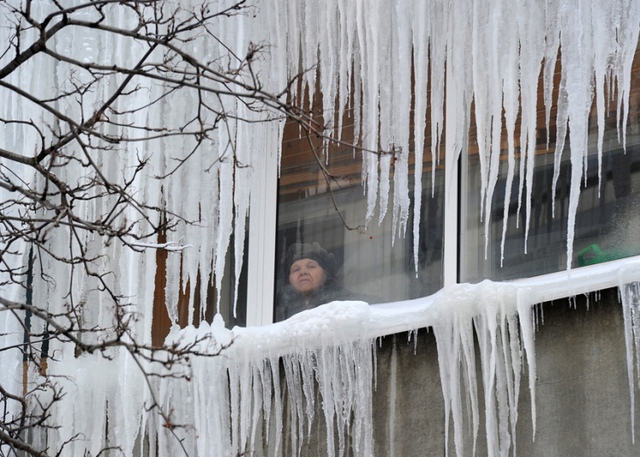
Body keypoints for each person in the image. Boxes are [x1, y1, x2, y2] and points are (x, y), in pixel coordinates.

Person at [275, 242, 357, 321]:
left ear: (325, 273)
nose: (303, 272)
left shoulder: (346, 304)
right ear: (289, 280)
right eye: (296, 270)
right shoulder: (277, 314)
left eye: (311, 266)